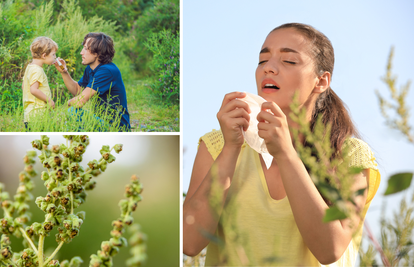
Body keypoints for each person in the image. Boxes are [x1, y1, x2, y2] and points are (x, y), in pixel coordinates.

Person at [183, 23, 381, 266]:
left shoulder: (349, 155)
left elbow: (330, 249)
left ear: (321, 81)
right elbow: (189, 243)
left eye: (288, 61)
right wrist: (230, 149)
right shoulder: (216, 145)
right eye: (262, 60)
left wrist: (286, 154)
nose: (269, 68)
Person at [54, 32, 131, 131]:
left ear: (97, 53)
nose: (81, 52)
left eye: (86, 49)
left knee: (73, 111)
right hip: (101, 121)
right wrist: (64, 72)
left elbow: (79, 102)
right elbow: (77, 90)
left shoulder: (107, 71)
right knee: (73, 113)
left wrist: (63, 106)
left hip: (116, 128)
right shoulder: (90, 69)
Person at [22, 37, 57, 129]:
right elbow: (33, 90)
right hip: (38, 115)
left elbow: (24, 86)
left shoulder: (30, 67)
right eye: (53, 54)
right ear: (44, 55)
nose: (55, 57)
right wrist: (49, 100)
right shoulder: (37, 70)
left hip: (29, 115)